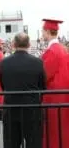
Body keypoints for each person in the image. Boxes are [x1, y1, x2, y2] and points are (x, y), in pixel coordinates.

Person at [0, 33, 46, 148]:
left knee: (11, 144)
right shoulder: (38, 62)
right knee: (34, 143)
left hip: (10, 109)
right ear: (29, 44)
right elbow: (42, 86)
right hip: (32, 110)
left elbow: (3, 85)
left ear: (13, 44)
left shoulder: (4, 63)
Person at [41, 19, 69, 148]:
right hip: (63, 95)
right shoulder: (62, 49)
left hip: (53, 97)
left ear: (47, 31)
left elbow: (44, 76)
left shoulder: (52, 51)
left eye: (43, 31)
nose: (42, 33)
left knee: (53, 130)